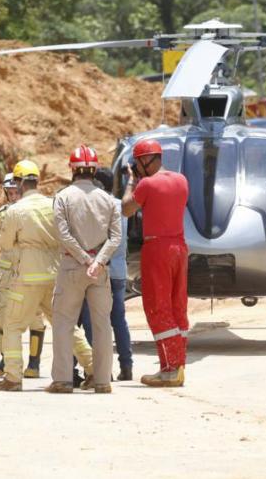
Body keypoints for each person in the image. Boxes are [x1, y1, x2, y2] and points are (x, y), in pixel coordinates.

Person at [0, 160, 93, 392]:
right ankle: (94, 369)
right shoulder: (53, 205)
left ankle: (13, 377)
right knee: (66, 325)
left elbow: (5, 243)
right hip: (54, 275)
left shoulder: (15, 210)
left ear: (18, 183)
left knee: (13, 325)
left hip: (27, 278)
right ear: (37, 180)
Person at [46, 146, 121, 394]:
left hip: (71, 267)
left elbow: (63, 234)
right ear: (95, 170)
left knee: (64, 323)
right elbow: (115, 238)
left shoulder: (63, 197)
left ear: (72, 169)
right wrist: (97, 262)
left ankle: (63, 380)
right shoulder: (109, 200)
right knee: (102, 326)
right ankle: (102, 381)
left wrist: (84, 259)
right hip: (99, 271)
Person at [122, 139, 189, 387]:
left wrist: (132, 181)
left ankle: (170, 369)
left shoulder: (146, 184)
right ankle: (176, 364)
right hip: (180, 247)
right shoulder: (181, 180)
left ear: (143, 161)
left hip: (157, 248)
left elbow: (126, 209)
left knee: (158, 307)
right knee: (177, 306)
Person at [0, 173, 47, 379]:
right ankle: (6, 358)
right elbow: (4, 242)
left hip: (28, 268)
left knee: (35, 316)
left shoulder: (30, 212)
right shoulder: (3, 214)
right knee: (4, 315)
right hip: (7, 272)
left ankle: (34, 363)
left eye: (16, 192)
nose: (14, 196)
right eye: (10, 193)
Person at [79, 167, 134, 381]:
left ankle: (101, 369)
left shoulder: (97, 206)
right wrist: (131, 180)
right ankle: (126, 366)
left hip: (99, 270)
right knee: (118, 320)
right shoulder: (121, 206)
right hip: (119, 272)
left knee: (93, 321)